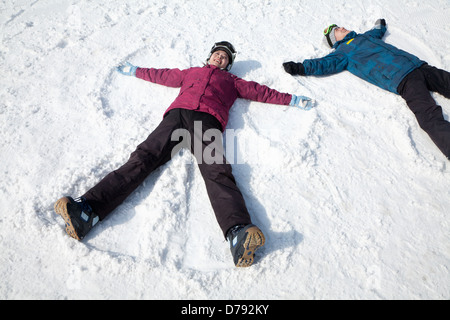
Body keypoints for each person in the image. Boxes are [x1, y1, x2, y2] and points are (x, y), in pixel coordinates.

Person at [54, 41, 315, 267]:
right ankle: (86, 212)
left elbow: (261, 92)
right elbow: (164, 75)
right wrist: (136, 71)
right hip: (176, 116)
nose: (220, 57)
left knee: (216, 171)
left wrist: (292, 100)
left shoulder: (232, 82)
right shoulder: (192, 72)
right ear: (210, 56)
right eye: (217, 53)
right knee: (143, 158)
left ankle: (238, 234)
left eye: (225, 57)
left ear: (228, 64)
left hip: (207, 122)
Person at [283, 19, 450, 160]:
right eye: (336, 30)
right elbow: (323, 64)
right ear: (334, 40)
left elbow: (376, 31)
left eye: (339, 26)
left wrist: (379, 25)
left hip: (420, 66)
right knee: (429, 116)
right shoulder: (342, 52)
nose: (341, 28)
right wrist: (300, 67)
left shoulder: (365, 36)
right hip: (402, 79)